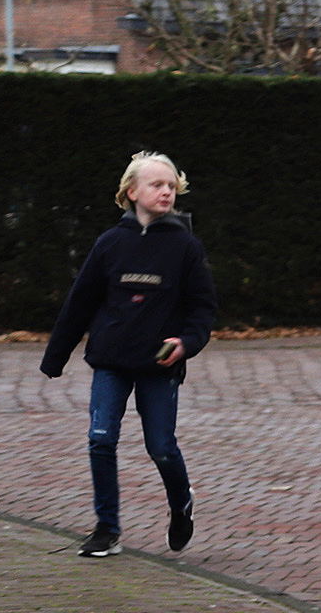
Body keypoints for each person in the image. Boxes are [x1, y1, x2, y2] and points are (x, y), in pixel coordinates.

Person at [40, 151, 216, 558]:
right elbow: (80, 302)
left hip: (159, 364)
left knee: (161, 447)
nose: (166, 192)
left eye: (172, 186)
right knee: (100, 440)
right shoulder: (109, 243)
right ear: (131, 191)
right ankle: (106, 528)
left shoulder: (186, 247)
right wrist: (56, 357)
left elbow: (203, 307)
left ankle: (181, 503)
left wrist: (186, 343)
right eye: (157, 184)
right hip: (111, 360)